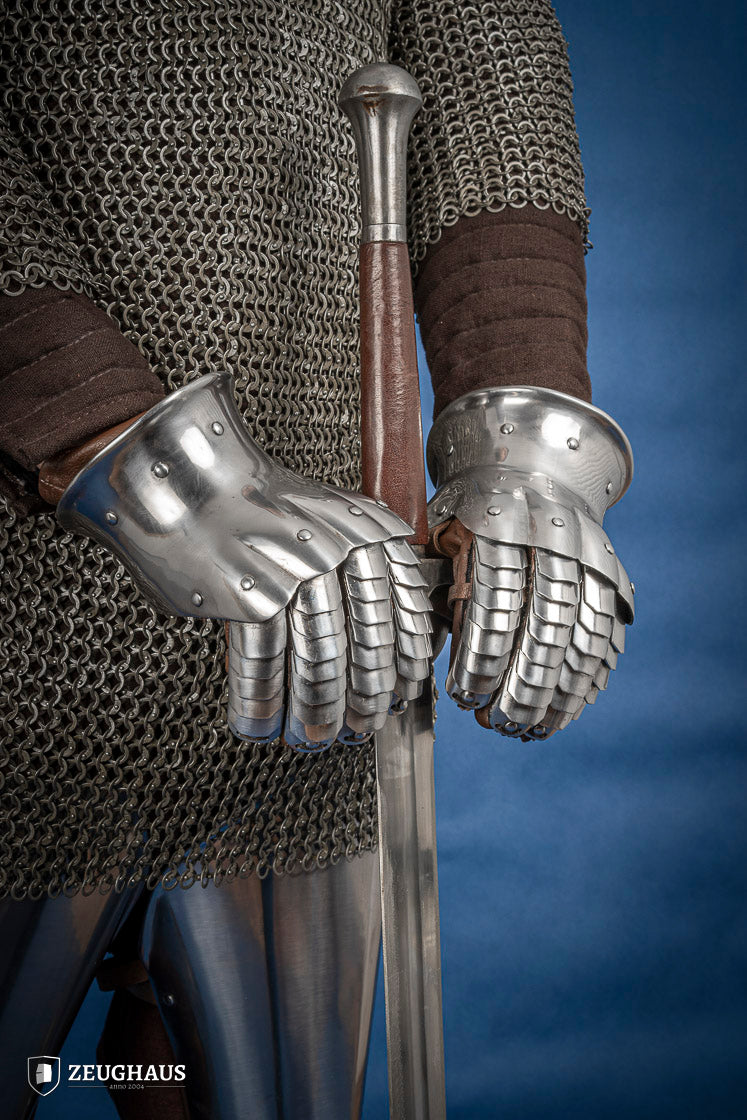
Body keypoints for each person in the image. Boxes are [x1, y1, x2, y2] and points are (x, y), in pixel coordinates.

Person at [0, 1, 633, 1117]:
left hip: (327, 627)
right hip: (28, 627)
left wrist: (529, 451)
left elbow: (488, 72)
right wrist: (133, 454)